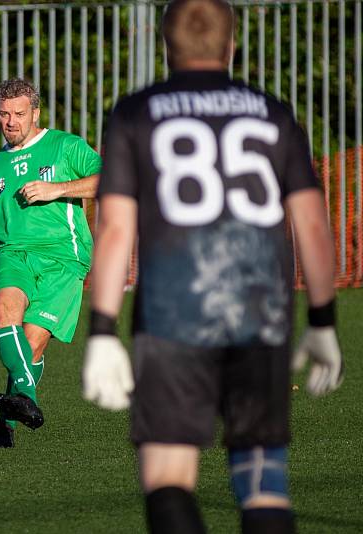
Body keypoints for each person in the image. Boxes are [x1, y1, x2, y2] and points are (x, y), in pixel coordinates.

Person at [81, 1, 344, 533]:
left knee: (169, 480)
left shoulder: (136, 112)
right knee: (263, 484)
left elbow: (114, 229)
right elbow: (313, 225)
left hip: (173, 318)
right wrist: (322, 321)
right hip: (260, 316)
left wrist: (103, 331)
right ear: (230, 46)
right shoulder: (272, 112)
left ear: (165, 46)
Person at [0, 78, 102, 448]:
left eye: (19, 113)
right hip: (12, 255)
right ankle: (26, 401)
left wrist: (58, 189)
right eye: (4, 114)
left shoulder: (64, 146)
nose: (11, 121)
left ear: (35, 113)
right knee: (4, 308)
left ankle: (7, 423)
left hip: (64, 258)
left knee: (30, 348)